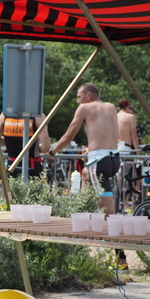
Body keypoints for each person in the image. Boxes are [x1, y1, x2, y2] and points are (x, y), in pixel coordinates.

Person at [47, 83, 125, 268]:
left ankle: (121, 258)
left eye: (78, 96)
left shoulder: (84, 108)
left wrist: (52, 152)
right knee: (84, 183)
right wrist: (94, 148)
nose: (77, 100)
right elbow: (111, 133)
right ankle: (80, 252)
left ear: (88, 95)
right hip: (113, 159)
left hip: (99, 162)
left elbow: (68, 136)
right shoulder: (111, 107)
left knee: (108, 214)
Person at [0, 112, 50, 178]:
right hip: (31, 165)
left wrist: (11, 142)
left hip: (11, 165)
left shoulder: (5, 114)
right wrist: (31, 147)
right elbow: (46, 147)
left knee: (11, 187)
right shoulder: (38, 115)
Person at [116, 99, 139, 211]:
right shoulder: (130, 117)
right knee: (126, 177)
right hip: (125, 148)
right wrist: (138, 152)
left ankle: (118, 202)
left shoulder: (114, 116)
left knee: (117, 176)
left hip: (114, 147)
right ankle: (124, 202)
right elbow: (133, 134)